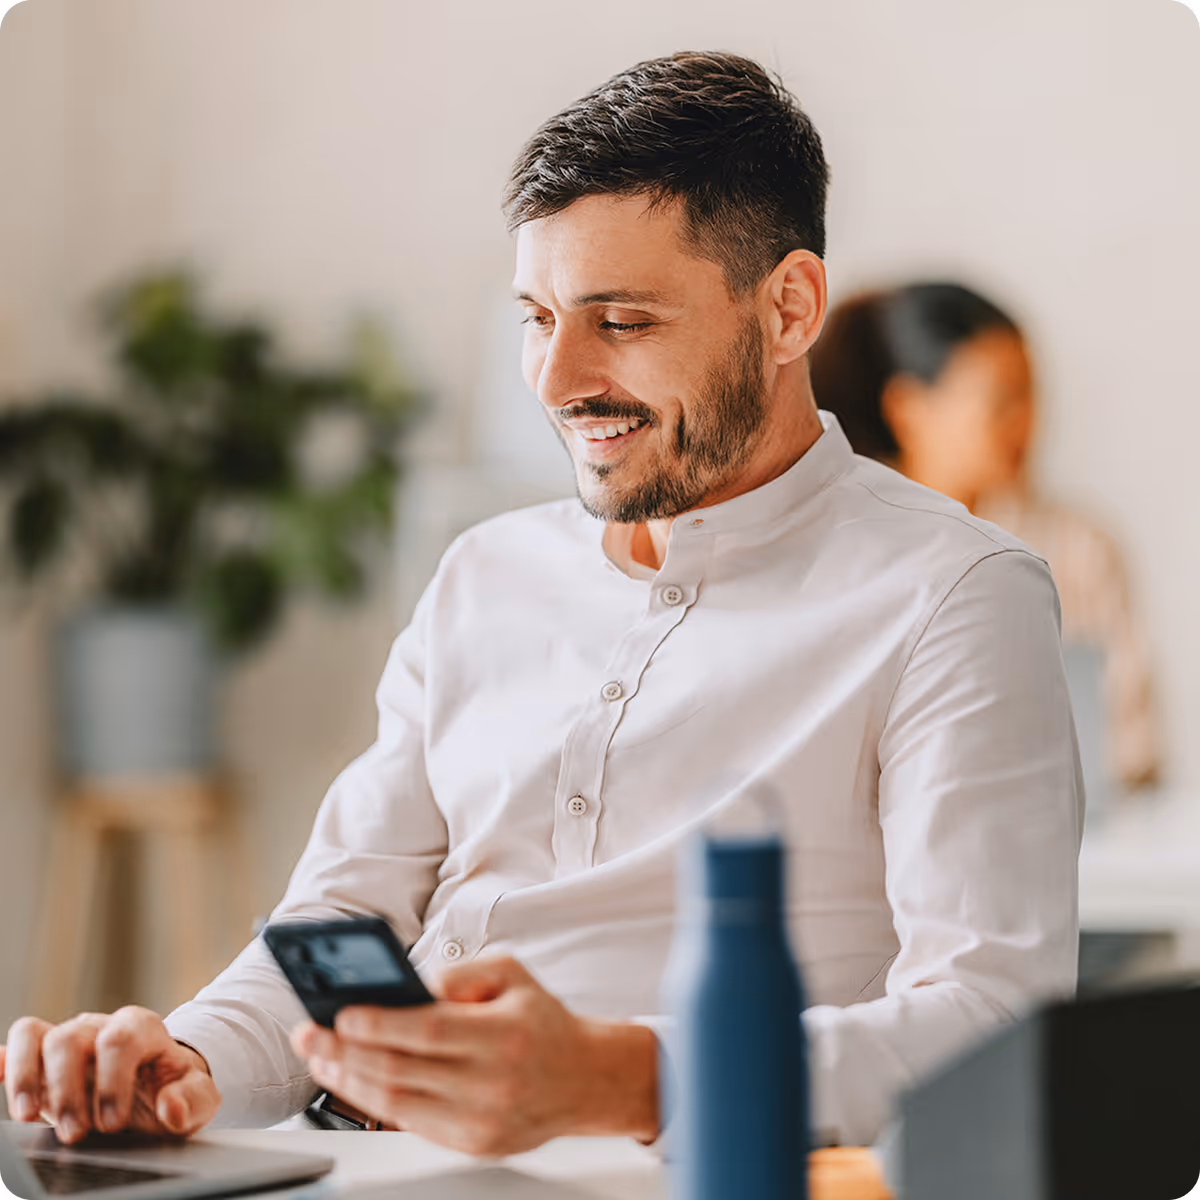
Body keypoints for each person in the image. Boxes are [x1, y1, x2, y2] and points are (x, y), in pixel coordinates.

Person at [1, 52, 1082, 1156]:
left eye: (620, 321)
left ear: (789, 307)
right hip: (362, 1166)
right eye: (536, 315)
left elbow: (992, 1017)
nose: (558, 379)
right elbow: (341, 924)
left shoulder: (953, 596)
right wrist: (184, 1063)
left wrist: (622, 1080)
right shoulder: (484, 574)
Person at [811, 283, 1159, 793]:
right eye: (1001, 402)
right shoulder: (842, 542)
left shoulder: (1081, 548)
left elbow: (1136, 745)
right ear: (908, 409)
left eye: (1031, 396)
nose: (1027, 423)